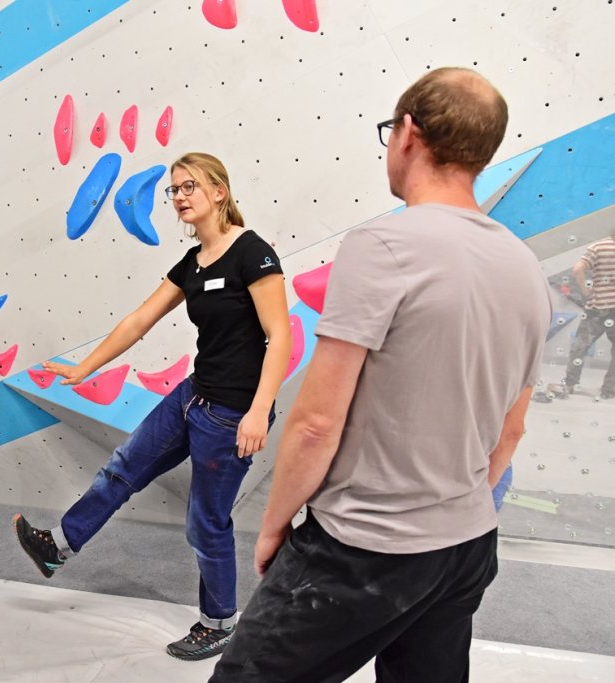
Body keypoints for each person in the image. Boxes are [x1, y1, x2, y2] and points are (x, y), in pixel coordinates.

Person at [210, 68, 551, 682]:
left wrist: (272, 524)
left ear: (408, 134)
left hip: (364, 548)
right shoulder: (524, 267)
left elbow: (316, 422)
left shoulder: (383, 246)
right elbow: (512, 430)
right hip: (467, 546)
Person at [13, 152, 293, 661]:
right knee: (123, 468)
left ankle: (219, 623)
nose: (180, 197)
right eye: (174, 190)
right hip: (193, 396)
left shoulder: (253, 253)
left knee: (206, 522)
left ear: (219, 193)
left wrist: (259, 410)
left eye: (190, 187)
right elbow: (139, 321)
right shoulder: (193, 262)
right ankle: (59, 547)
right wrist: (85, 367)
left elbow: (281, 337)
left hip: (232, 413)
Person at [563, 234, 615, 399]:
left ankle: (570, 383)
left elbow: (578, 269)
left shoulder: (599, 246)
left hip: (597, 306)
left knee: (580, 346)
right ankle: (609, 390)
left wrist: (586, 290)